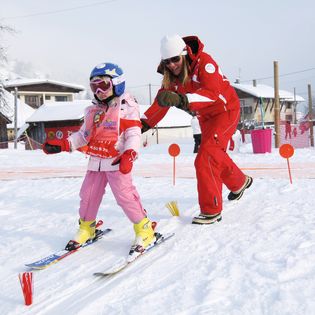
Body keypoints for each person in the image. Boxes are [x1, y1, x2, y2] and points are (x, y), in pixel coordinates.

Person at [43, 62, 156, 253]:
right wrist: (63, 144)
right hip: (95, 161)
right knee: (88, 195)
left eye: (103, 85)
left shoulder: (126, 106)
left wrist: (130, 153)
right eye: (94, 87)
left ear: (117, 84)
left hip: (117, 161)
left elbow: (134, 133)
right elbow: (83, 136)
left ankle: (144, 229)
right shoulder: (92, 110)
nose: (99, 91)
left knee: (125, 196)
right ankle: (87, 228)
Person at [141, 34, 253, 225]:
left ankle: (211, 210)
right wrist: (144, 124)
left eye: (175, 59)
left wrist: (183, 99)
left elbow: (212, 94)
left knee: (206, 156)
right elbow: (161, 102)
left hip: (224, 111)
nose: (172, 65)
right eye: (167, 62)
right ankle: (239, 182)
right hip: (205, 117)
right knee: (215, 155)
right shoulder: (171, 78)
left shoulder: (204, 63)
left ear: (184, 54)